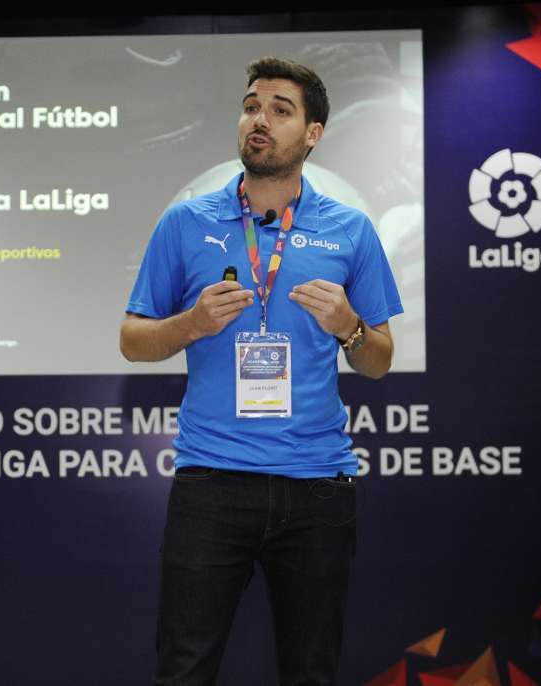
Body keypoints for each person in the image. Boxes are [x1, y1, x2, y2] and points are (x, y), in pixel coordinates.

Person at [120, 57, 403, 685]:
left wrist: (350, 327)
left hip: (317, 486)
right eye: (252, 105)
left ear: (313, 133)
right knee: (184, 668)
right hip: (212, 482)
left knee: (311, 672)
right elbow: (133, 342)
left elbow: (379, 360)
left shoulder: (350, 230)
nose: (260, 119)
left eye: (281, 109)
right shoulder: (186, 223)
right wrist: (189, 324)